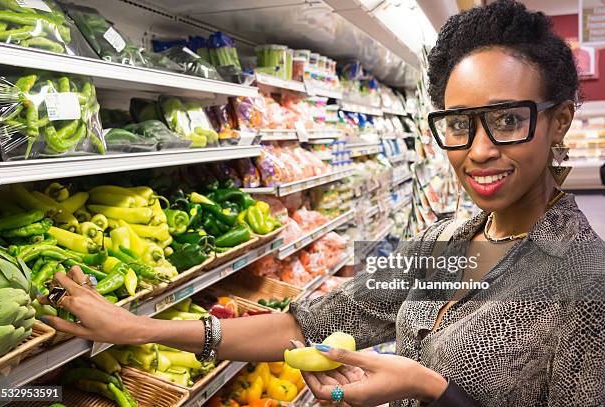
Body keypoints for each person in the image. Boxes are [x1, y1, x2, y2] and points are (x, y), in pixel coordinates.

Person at [41, 1, 605, 406]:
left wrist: (427, 387)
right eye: (459, 124)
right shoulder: (446, 242)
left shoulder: (587, 285)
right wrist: (138, 329)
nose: (479, 151)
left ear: (558, 122)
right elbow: (306, 325)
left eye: (508, 120)